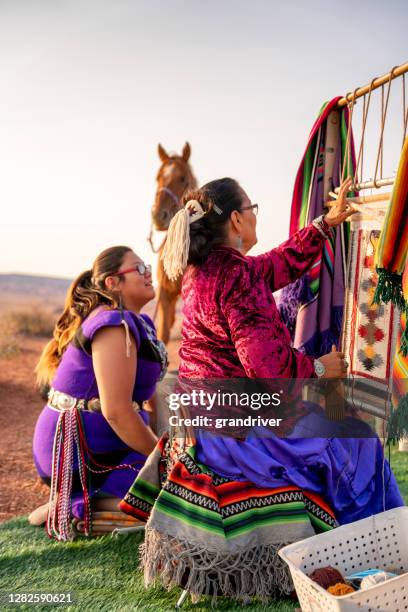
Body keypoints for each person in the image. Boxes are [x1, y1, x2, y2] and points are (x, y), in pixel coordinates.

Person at [120, 179, 404, 600]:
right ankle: (372, 558)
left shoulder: (206, 270)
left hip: (205, 417)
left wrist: (325, 224)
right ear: (236, 219)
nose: (256, 214)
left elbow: (277, 264)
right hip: (237, 430)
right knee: (356, 437)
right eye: (252, 207)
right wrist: (319, 366)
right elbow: (268, 369)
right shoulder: (235, 275)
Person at [30, 246, 168, 540]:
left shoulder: (140, 323)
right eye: (139, 269)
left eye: (148, 267)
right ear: (113, 283)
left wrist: (164, 449)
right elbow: (116, 412)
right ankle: (74, 504)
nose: (149, 274)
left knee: (185, 482)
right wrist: (164, 459)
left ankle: (90, 502)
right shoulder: (112, 326)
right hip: (77, 451)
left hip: (110, 445)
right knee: (177, 495)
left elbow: (150, 394)